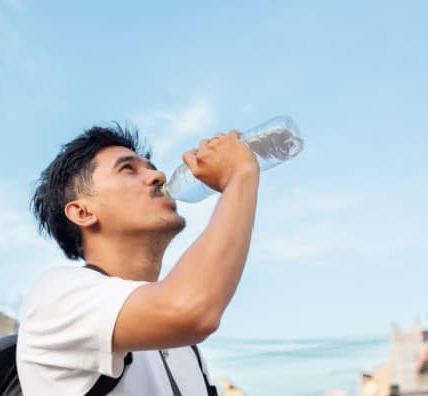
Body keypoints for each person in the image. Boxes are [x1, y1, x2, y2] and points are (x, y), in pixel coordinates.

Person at [17, 124, 260, 395]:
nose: (158, 175)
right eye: (127, 169)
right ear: (83, 212)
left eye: (151, 167)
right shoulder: (57, 294)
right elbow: (190, 310)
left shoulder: (183, 347)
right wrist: (240, 175)